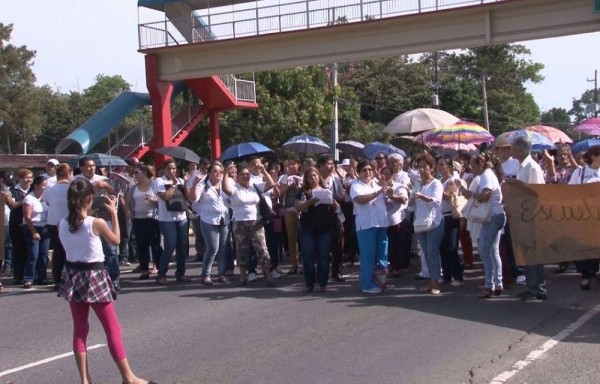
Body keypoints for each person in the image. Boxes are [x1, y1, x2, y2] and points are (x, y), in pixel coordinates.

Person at [57, 178, 154, 384]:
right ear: (90, 198)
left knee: (80, 330)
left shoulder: (62, 224)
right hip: (94, 274)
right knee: (112, 328)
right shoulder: (97, 223)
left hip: (73, 275)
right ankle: (128, 377)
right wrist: (113, 213)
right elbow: (117, 240)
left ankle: (85, 380)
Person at [223, 163, 276, 287]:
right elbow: (225, 189)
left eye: (247, 174)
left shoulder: (255, 187)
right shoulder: (235, 188)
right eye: (242, 174)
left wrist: (264, 170)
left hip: (257, 222)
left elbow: (271, 185)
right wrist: (226, 172)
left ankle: (267, 274)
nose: (245, 176)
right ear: (237, 177)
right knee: (242, 250)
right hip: (240, 223)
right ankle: (242, 276)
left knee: (262, 249)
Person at [461, 153, 506, 298]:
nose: (472, 169)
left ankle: (489, 285)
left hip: (492, 216)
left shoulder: (486, 176)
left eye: (473, 166)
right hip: (496, 215)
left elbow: (486, 195)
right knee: (493, 251)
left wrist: (471, 194)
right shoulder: (490, 174)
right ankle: (497, 283)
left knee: (484, 250)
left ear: (480, 164)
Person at [74, 157, 121, 290]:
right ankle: (90, 279)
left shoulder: (102, 178)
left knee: (110, 249)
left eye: (93, 166)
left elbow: (114, 192)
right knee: (90, 250)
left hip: (104, 216)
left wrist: (107, 186)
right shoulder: (76, 180)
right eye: (88, 166)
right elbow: (77, 196)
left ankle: (114, 278)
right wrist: (96, 186)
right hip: (86, 219)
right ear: (82, 167)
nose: (92, 169)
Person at [511, 136, 547, 301]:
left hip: (532, 216)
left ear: (520, 149)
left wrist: (519, 186)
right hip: (522, 215)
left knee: (534, 253)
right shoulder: (521, 166)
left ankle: (538, 288)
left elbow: (538, 192)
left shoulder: (532, 167)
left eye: (513, 148)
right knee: (526, 253)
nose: (511, 151)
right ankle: (531, 286)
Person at [350, 160, 390, 294]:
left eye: (369, 170)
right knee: (368, 256)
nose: (367, 172)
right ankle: (367, 284)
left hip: (381, 222)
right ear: (359, 173)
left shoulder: (376, 183)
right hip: (366, 225)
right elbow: (360, 199)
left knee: (382, 255)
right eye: (364, 170)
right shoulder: (356, 186)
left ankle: (381, 282)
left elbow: (387, 199)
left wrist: (387, 190)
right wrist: (378, 192)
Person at [295, 167, 337, 292]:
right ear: (306, 179)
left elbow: (336, 208)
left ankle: (323, 283)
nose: (313, 178)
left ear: (318, 176)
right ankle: (309, 284)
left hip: (325, 227)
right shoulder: (303, 191)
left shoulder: (325, 190)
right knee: (308, 256)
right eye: (309, 177)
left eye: (315, 175)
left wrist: (331, 201)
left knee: (324, 256)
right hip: (308, 228)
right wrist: (310, 201)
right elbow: (298, 207)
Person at [189, 161, 230, 285]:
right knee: (213, 248)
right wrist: (195, 182)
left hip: (224, 219)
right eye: (215, 171)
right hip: (208, 220)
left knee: (223, 248)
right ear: (209, 173)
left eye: (221, 171)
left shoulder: (226, 184)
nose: (218, 173)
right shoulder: (203, 185)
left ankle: (221, 273)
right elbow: (193, 198)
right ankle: (206, 274)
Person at [409, 153, 444, 296]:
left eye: (425, 167)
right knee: (426, 254)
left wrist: (423, 196)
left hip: (434, 222)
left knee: (432, 252)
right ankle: (431, 280)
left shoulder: (436, 183)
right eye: (420, 167)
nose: (422, 170)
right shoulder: (417, 184)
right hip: (420, 222)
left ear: (432, 168)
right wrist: (411, 198)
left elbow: (437, 202)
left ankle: (436, 282)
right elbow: (410, 206)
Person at [154, 159, 192, 285]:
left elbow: (188, 198)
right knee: (170, 245)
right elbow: (165, 197)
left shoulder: (180, 180)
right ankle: (162, 274)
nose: (172, 171)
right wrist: (174, 185)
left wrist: (185, 184)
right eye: (169, 169)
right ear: (164, 170)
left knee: (182, 247)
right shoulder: (159, 181)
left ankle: (180, 273)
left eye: (174, 169)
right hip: (166, 219)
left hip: (181, 217)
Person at [568, 145, 600, 290]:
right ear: (594, 156)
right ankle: (586, 275)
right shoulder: (579, 173)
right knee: (584, 247)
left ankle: (595, 270)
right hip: (583, 216)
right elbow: (570, 191)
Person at [124, 164, 160, 280]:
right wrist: (127, 211)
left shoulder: (154, 185)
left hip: (153, 218)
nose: (134, 175)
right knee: (141, 245)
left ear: (144, 173)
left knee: (155, 244)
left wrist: (153, 200)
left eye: (137, 172)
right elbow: (127, 200)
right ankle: (145, 269)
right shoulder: (134, 188)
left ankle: (158, 266)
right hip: (138, 218)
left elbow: (162, 200)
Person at [44, 163, 73, 290]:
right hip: (68, 221)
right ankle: (70, 277)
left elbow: (47, 201)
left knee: (58, 250)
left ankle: (57, 279)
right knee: (70, 250)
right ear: (68, 173)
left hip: (53, 221)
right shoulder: (72, 187)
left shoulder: (49, 187)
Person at [437, 156, 465, 286]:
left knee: (452, 246)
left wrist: (437, 189)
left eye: (443, 164)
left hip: (451, 216)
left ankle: (458, 276)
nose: (440, 167)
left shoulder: (452, 180)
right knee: (443, 246)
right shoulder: (439, 180)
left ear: (449, 166)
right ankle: (447, 275)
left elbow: (447, 196)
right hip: (441, 216)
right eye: (439, 164)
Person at [3, 168, 33, 285]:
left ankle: (29, 275)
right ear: (19, 179)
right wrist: (26, 200)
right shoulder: (12, 191)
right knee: (18, 250)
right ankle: (18, 275)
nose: (29, 180)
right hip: (16, 224)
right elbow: (12, 205)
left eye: (30, 177)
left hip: (30, 223)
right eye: (26, 177)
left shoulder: (33, 190)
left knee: (29, 250)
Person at [22, 175, 50, 288]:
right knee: (33, 253)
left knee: (44, 254)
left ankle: (42, 277)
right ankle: (29, 277)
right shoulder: (29, 198)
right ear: (36, 186)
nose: (45, 188)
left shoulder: (46, 198)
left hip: (45, 227)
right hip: (32, 227)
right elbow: (27, 217)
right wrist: (34, 232)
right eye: (43, 185)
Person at [277, 157, 302, 274]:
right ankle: (294, 264)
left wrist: (300, 183)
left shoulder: (304, 176)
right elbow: (280, 194)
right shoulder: (284, 178)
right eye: (289, 164)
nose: (291, 167)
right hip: (289, 208)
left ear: (298, 165)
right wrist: (287, 184)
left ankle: (306, 262)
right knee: (291, 237)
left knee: (304, 236)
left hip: (302, 209)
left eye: (293, 164)